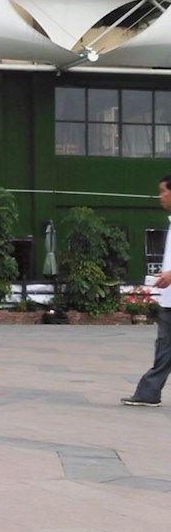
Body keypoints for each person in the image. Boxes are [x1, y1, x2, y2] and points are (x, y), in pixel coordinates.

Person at [121, 174, 171, 407]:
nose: (160, 196)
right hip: (168, 301)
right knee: (164, 348)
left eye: (163, 191)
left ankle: (148, 392)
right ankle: (148, 392)